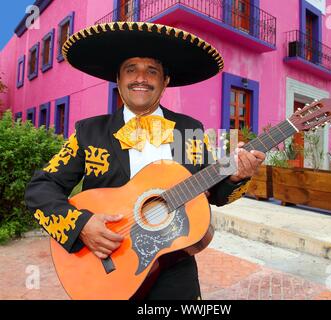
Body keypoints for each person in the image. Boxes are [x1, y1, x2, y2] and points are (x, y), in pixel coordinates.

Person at [25, 21, 265, 300]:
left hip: (175, 269)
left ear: (165, 82)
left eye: (152, 71)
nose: (141, 78)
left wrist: (237, 176)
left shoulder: (190, 130)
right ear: (118, 79)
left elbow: (213, 193)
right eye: (131, 70)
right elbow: (40, 189)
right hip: (107, 268)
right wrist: (81, 226)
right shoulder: (88, 132)